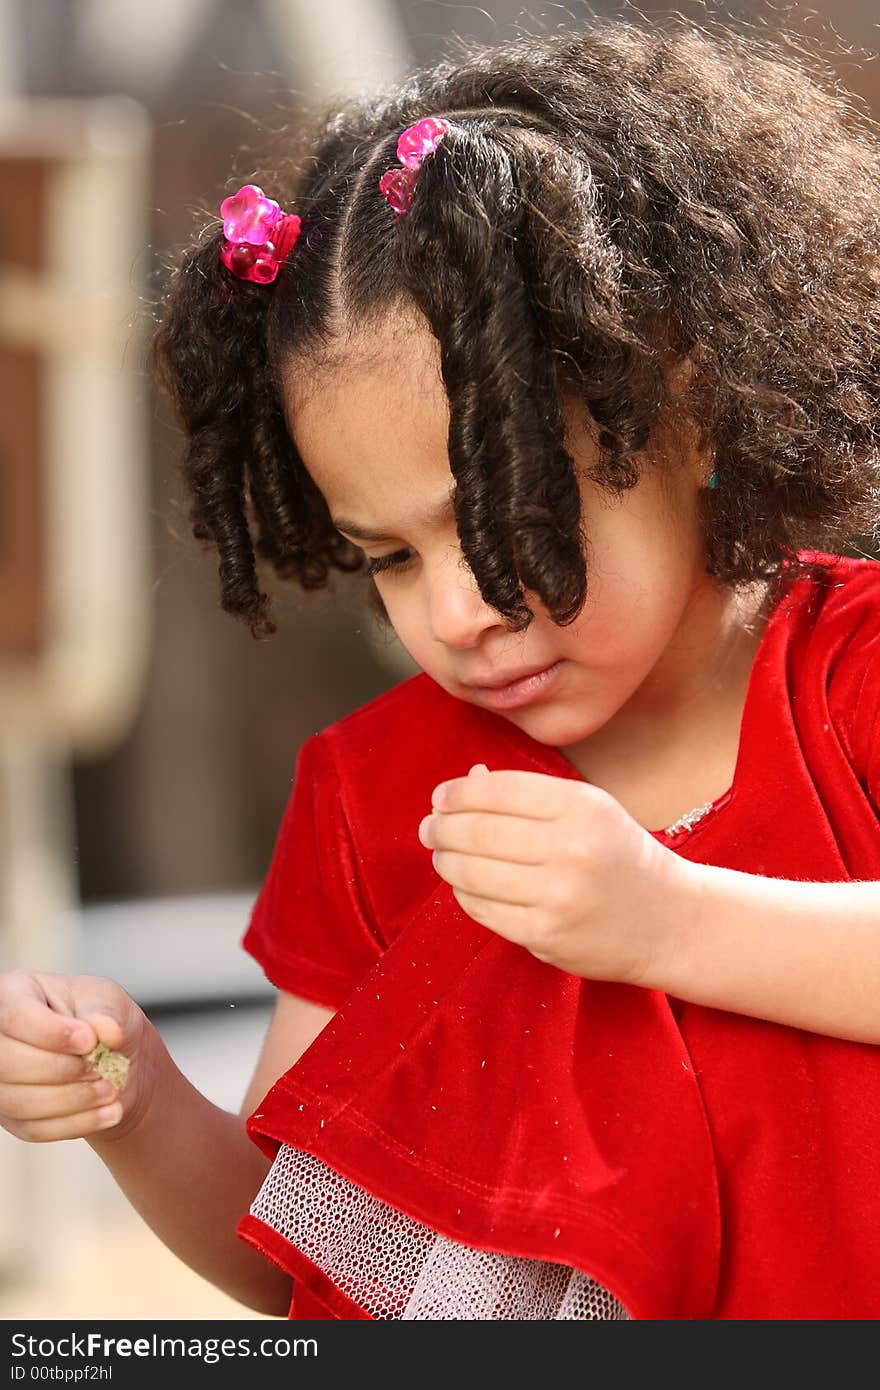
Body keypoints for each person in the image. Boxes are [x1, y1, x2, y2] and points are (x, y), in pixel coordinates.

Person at [2, 10, 880, 1321]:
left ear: (686, 406)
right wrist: (137, 1101)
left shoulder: (853, 671)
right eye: (391, 557)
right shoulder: (375, 797)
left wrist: (667, 918)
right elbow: (304, 1246)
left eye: (504, 513)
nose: (457, 608)